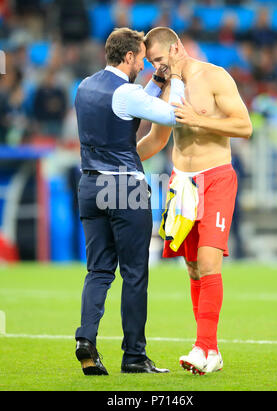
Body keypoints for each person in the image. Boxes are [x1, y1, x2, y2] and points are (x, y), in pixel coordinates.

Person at [137, 27, 252, 375]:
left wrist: (200, 119)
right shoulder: (166, 86)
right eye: (150, 63)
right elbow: (157, 139)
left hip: (215, 177)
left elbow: (244, 126)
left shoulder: (215, 76)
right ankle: (210, 351)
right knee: (191, 267)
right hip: (180, 183)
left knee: (208, 261)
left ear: (176, 48)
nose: (156, 68)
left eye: (158, 59)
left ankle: (202, 347)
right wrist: (119, 160)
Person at [74, 27, 186, 376]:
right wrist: (177, 78)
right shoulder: (126, 92)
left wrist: (155, 81)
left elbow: (129, 108)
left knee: (98, 270)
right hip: (125, 187)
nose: (143, 63)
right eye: (141, 57)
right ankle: (134, 356)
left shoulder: (84, 86)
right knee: (135, 273)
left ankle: (86, 341)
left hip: (90, 184)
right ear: (128, 58)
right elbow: (172, 114)